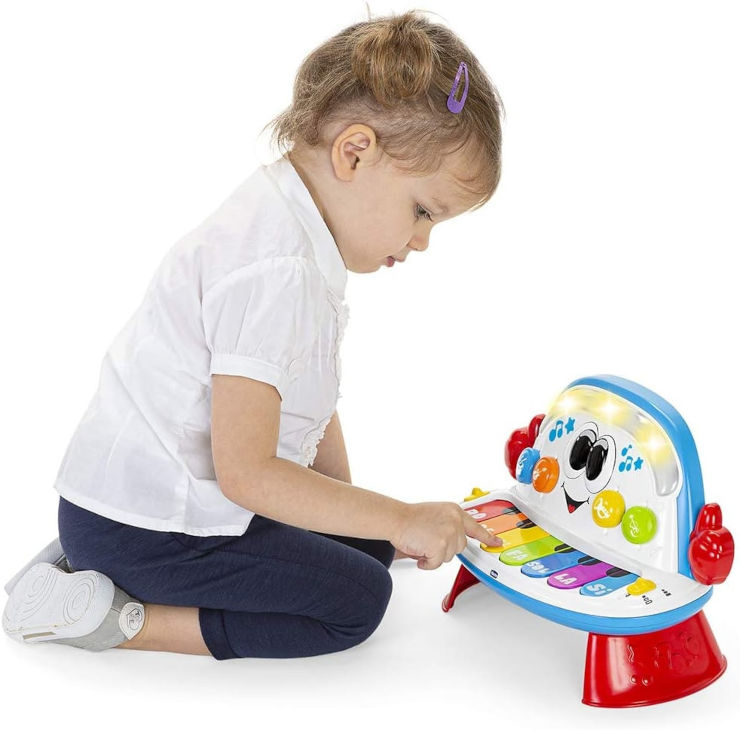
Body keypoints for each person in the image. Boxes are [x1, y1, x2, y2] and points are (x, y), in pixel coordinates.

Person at [2, 9, 504, 660]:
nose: (422, 241)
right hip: (144, 531)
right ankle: (114, 619)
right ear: (355, 152)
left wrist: (372, 521)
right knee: (357, 599)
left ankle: (84, 563)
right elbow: (246, 474)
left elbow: (303, 395)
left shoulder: (293, 224)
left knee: (369, 545)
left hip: (140, 505)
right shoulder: (276, 270)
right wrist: (400, 517)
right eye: (422, 210)